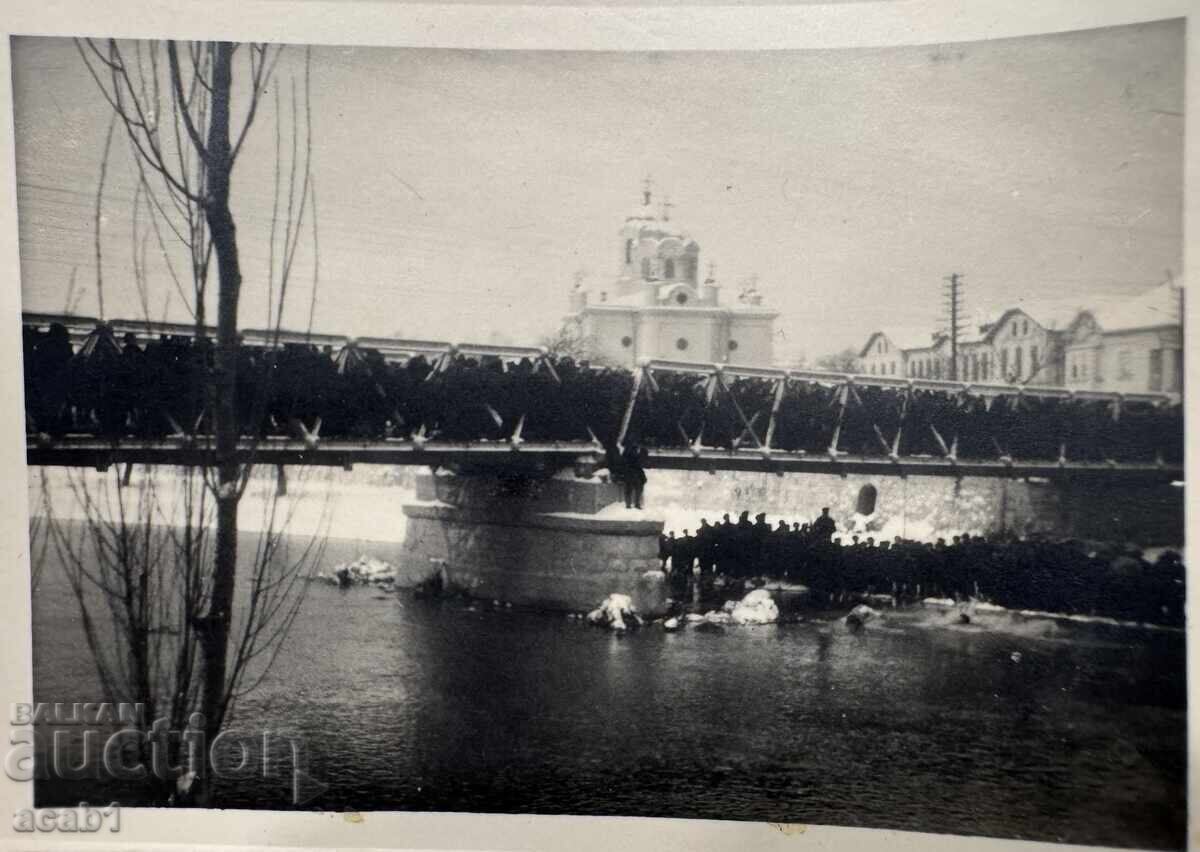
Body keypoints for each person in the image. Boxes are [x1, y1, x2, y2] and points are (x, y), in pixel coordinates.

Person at [620, 441, 647, 509]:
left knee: (629, 490)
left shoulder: (626, 452)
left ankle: (628, 505)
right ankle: (636, 504)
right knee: (638, 488)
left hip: (628, 473)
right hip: (634, 474)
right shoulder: (633, 453)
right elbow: (638, 465)